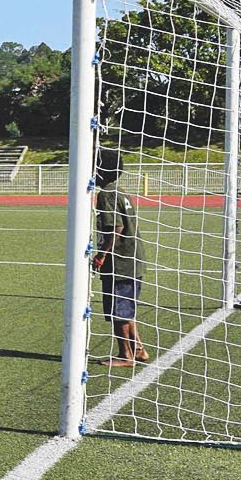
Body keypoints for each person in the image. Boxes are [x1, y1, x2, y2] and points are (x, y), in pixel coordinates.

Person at [92, 149, 149, 367]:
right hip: (133, 257)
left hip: (121, 260)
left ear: (102, 170)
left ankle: (126, 356)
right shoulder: (120, 190)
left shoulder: (106, 193)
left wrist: (101, 256)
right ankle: (139, 349)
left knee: (119, 308)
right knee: (126, 306)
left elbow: (116, 227)